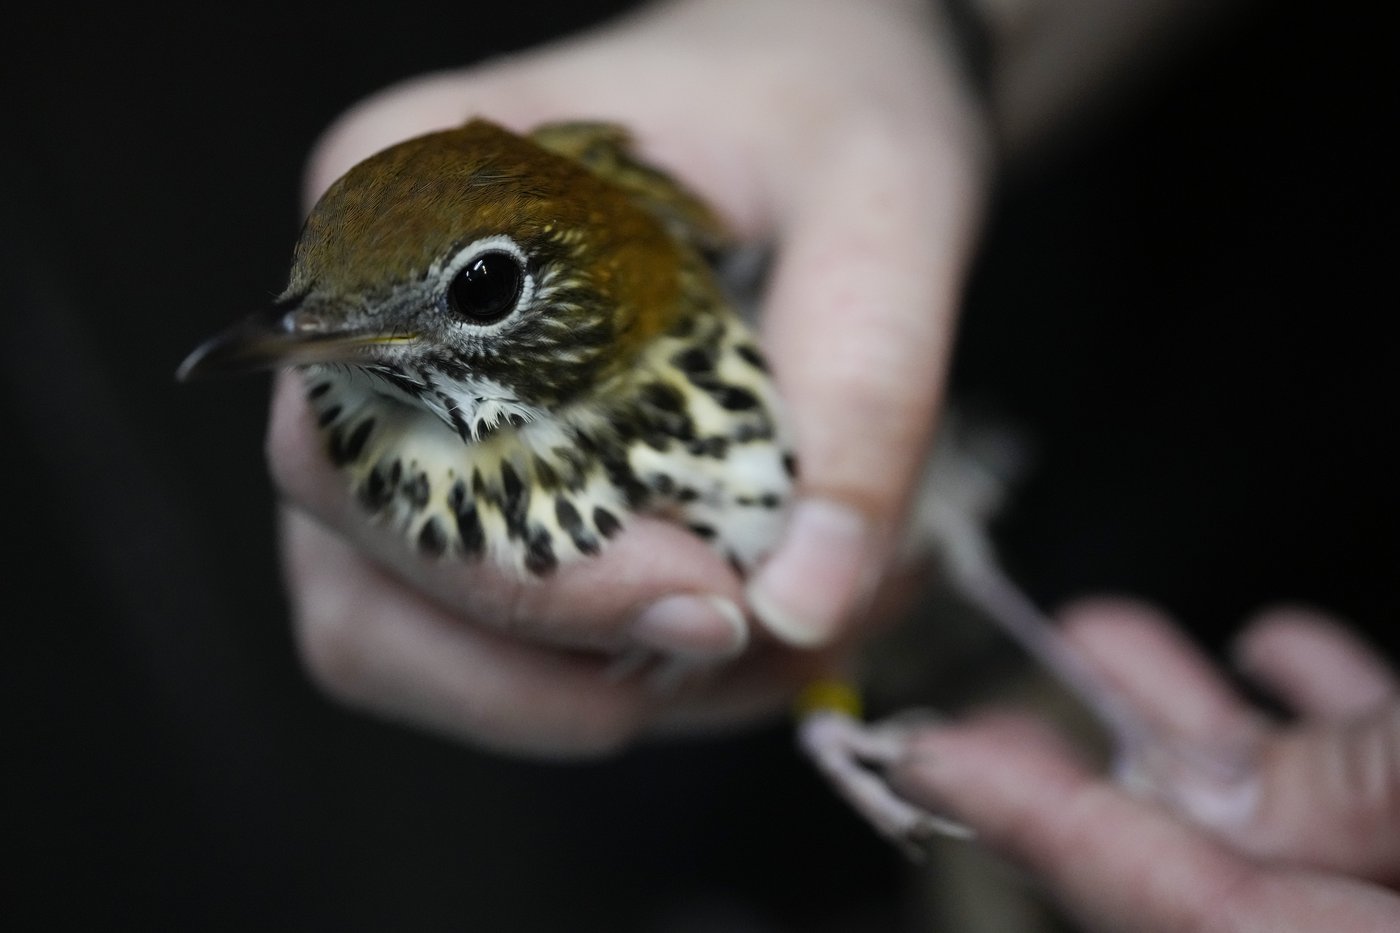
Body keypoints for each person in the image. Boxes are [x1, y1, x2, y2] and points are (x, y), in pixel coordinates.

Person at [266, 0, 1400, 926]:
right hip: (726, 792)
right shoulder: (395, 439)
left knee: (948, 557)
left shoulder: (657, 285)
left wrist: (919, 23)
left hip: (1210, 376)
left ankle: (1116, 725)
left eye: (474, 291)